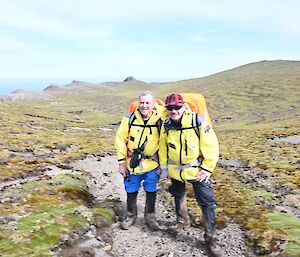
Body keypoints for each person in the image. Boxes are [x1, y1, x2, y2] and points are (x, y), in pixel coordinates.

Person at [159, 93, 223, 257]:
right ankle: (182, 222)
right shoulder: (166, 125)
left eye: (177, 107)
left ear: (184, 106)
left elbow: (211, 146)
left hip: (197, 170)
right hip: (175, 170)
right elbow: (163, 147)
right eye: (170, 108)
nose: (174, 111)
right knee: (178, 195)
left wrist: (207, 169)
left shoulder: (198, 122)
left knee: (207, 203)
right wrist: (164, 168)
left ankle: (211, 239)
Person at [114, 91, 164, 231]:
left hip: (153, 165)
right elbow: (120, 139)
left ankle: (150, 217)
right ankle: (131, 215)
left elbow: (166, 142)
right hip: (132, 164)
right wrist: (121, 162)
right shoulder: (129, 119)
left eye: (147, 103)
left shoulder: (160, 119)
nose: (144, 106)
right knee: (131, 189)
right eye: (142, 102)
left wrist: (163, 165)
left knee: (151, 189)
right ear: (138, 103)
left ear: (153, 104)